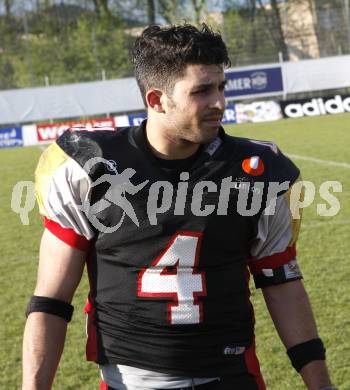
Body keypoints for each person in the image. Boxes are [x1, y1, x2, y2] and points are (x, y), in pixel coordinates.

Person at [22, 24, 336, 390]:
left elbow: (281, 283)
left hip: (230, 377)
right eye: (202, 91)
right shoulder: (90, 167)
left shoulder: (257, 170)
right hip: (129, 382)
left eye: (221, 87)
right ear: (157, 100)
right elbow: (51, 299)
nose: (219, 103)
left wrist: (322, 385)